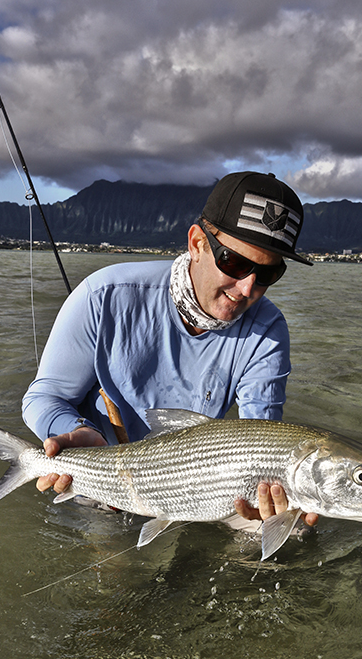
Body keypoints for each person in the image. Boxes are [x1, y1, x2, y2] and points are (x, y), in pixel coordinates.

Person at [22, 170, 318, 526]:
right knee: (114, 576)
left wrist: (273, 507)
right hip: (99, 478)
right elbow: (43, 398)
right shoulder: (102, 296)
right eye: (234, 263)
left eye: (268, 274)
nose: (246, 289)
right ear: (197, 243)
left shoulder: (268, 331)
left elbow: (258, 439)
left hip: (201, 482)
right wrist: (78, 430)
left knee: (282, 532)